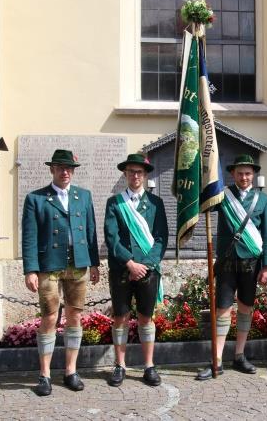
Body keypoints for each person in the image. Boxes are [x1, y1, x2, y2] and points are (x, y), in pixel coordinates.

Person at [21, 149, 101, 396]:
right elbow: (29, 236)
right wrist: (30, 269)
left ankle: (70, 371)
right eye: (60, 168)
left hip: (78, 263)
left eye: (69, 168)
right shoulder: (36, 198)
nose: (65, 172)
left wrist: (94, 263)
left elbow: (90, 231)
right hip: (49, 265)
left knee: (75, 315)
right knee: (49, 317)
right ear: (52, 170)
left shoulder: (83, 196)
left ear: (73, 171)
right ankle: (44, 374)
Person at [196, 154, 267, 380]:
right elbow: (203, 204)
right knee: (222, 309)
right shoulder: (223, 196)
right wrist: (204, 179)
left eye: (248, 173)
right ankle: (217, 360)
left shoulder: (264, 200)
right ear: (232, 174)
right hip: (227, 262)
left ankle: (239, 355)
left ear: (253, 174)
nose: (244, 177)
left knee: (245, 309)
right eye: (240, 173)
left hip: (251, 263)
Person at [104, 153, 168, 387]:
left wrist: (146, 265)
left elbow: (161, 238)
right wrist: (130, 263)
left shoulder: (156, 203)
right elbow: (112, 239)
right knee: (120, 317)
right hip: (122, 270)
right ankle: (120, 365)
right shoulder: (114, 203)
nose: (135, 175)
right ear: (125, 174)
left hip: (148, 271)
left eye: (139, 172)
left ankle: (149, 365)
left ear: (145, 175)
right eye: (131, 171)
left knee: (145, 317)